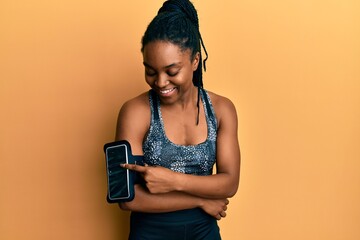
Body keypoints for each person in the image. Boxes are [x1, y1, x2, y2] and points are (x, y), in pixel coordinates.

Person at [115, 0, 240, 239]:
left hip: (204, 234)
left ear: (195, 61)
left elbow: (229, 183)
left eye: (172, 71)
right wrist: (200, 200)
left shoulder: (222, 109)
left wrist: (172, 180)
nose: (160, 82)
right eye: (150, 71)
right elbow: (126, 198)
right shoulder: (135, 112)